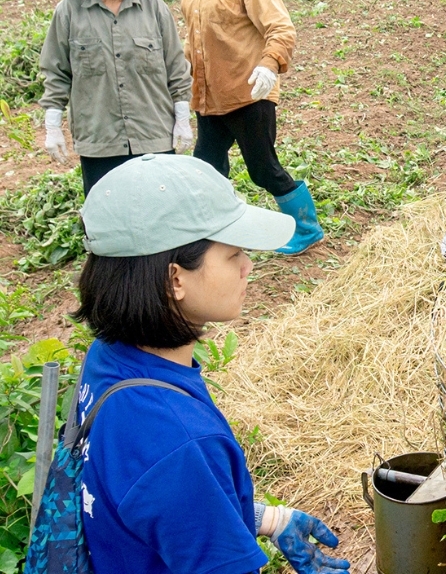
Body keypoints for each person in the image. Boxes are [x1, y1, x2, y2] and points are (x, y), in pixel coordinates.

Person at [69, 153, 347, 573]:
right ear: (175, 279)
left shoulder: (110, 361)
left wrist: (261, 518)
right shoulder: (178, 441)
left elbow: (145, 497)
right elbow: (170, 469)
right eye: (233, 252)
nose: (247, 266)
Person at [157, 0, 324, 255]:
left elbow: (280, 27)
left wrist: (270, 65)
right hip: (208, 91)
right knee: (207, 167)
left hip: (249, 90)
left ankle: (307, 228)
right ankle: (216, 231)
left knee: (263, 168)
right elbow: (193, 30)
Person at [39, 0, 193, 195]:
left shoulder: (154, 8)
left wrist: (182, 118)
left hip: (153, 134)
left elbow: (176, 68)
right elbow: (56, 73)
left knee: (160, 213)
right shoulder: (69, 12)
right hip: (100, 139)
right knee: (107, 215)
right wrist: (52, 126)